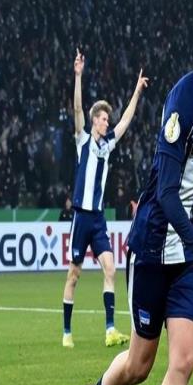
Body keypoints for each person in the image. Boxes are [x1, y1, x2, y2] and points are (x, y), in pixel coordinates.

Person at [77, 0, 193, 385]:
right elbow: (167, 192)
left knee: (183, 362)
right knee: (139, 365)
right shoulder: (183, 99)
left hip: (189, 258)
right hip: (154, 246)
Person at [62, 49, 148, 348]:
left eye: (107, 119)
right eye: (103, 119)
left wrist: (136, 91)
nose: (107, 123)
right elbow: (76, 108)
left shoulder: (108, 144)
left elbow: (125, 120)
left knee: (110, 269)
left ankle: (110, 329)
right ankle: (66, 332)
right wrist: (78, 76)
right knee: (74, 275)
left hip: (98, 219)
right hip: (81, 217)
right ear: (94, 121)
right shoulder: (83, 140)